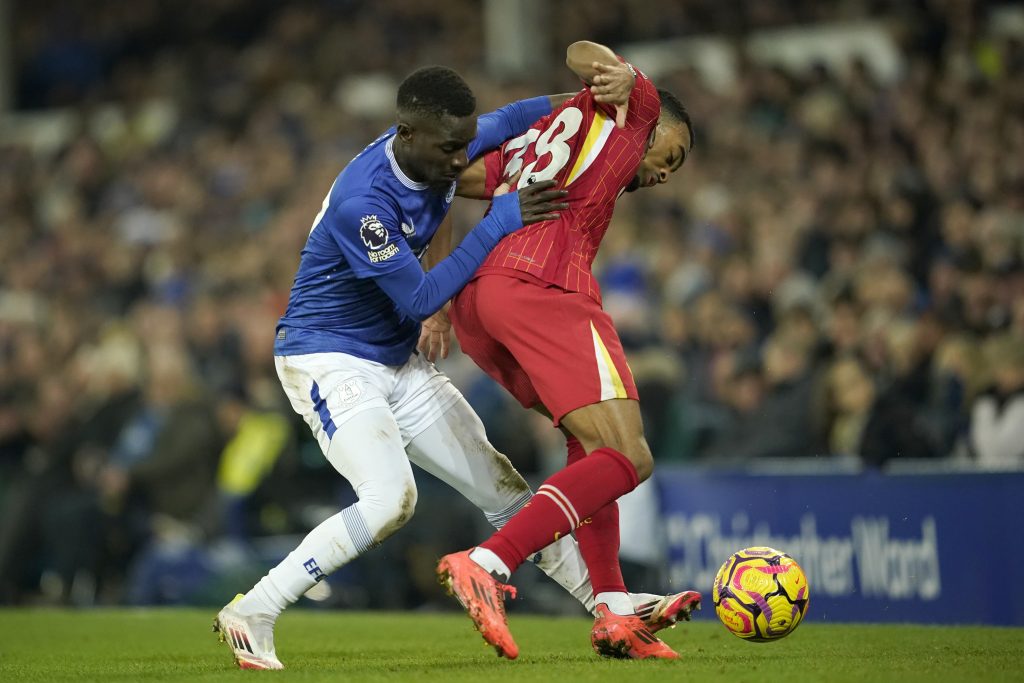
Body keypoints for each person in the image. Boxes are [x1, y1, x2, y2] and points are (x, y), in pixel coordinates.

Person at [213, 64, 694, 671]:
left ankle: (611, 607)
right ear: (405, 134)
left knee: (507, 490)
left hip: (396, 358)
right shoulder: (364, 204)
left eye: (467, 142)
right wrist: (500, 219)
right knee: (391, 499)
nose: (461, 157)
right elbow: (416, 300)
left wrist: (585, 98)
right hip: (329, 357)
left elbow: (517, 118)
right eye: (449, 148)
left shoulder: (441, 148)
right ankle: (254, 610)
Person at [434, 41, 695, 660]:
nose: (662, 174)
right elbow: (584, 50)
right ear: (657, 126)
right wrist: (621, 75)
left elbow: (449, 177)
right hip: (546, 286)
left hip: (481, 305)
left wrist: (438, 282)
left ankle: (612, 609)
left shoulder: (545, 139)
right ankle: (488, 562)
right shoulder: (638, 112)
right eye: (672, 156)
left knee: (590, 449)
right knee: (631, 456)